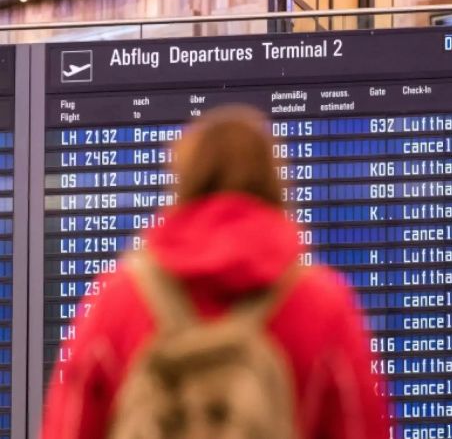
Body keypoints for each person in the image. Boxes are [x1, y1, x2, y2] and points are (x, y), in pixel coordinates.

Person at [42, 105, 389, 439]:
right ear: (275, 182)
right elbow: (363, 428)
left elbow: (67, 428)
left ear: (182, 181)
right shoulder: (320, 301)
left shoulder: (119, 298)